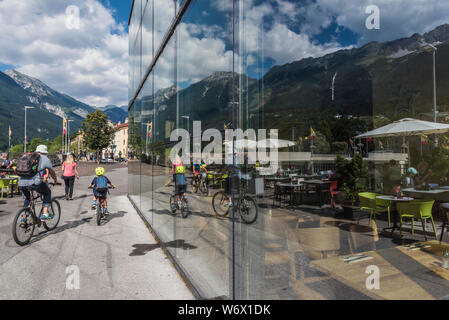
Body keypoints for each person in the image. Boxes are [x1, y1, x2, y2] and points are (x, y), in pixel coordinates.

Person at [18, 145, 59, 221]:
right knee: (47, 193)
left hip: (21, 183)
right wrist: (55, 180)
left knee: (28, 198)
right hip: (34, 183)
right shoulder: (44, 158)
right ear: (44, 152)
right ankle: (45, 214)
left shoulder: (26, 156)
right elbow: (51, 171)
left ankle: (23, 218)